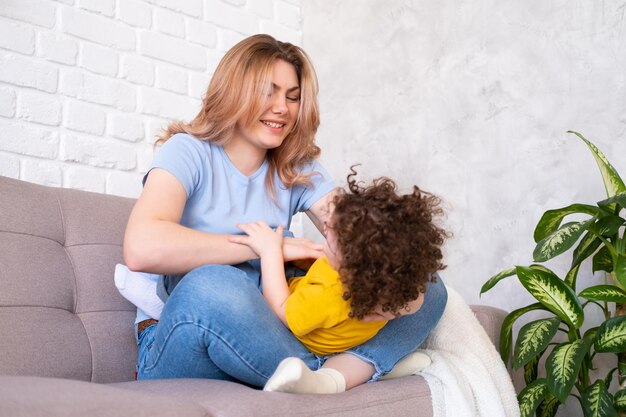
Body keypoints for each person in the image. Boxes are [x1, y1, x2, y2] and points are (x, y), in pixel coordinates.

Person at [121, 33, 449, 389]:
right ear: (234, 91)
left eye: (293, 97)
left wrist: (389, 294)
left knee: (426, 284)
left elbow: (367, 237)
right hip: (186, 337)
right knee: (211, 283)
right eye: (269, 92)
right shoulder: (187, 151)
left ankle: (334, 374)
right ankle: (349, 369)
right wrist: (267, 247)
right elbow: (142, 249)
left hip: (275, 336)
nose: (283, 108)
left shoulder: (295, 166)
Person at [229, 169, 448, 393]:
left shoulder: (330, 294)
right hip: (347, 333)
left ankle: (329, 376)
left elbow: (282, 310)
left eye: (332, 235)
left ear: (348, 265)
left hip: (307, 338)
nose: (325, 226)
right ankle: (370, 367)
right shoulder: (402, 291)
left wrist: (270, 252)